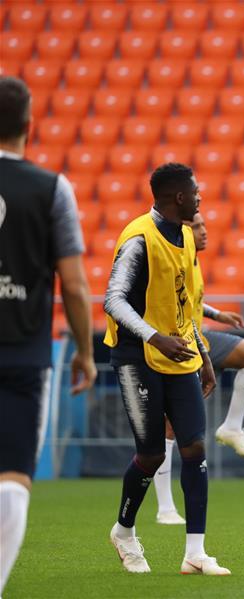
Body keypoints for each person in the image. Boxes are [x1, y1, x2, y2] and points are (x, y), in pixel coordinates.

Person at [103, 162, 229, 575]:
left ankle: (195, 553)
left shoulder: (186, 236)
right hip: (135, 356)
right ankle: (124, 531)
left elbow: (185, 304)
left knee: (194, 446)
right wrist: (154, 337)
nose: (199, 197)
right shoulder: (138, 238)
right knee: (153, 453)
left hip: (178, 353)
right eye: (195, 192)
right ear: (179, 197)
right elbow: (113, 300)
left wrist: (204, 355)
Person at [0, 76, 97, 594]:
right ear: (29, 125)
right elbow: (75, 286)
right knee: (13, 478)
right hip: (23, 355)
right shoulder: (51, 188)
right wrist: (85, 352)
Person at [154, 212, 244, 525]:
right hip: (180, 344)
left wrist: (217, 314)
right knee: (170, 426)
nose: (204, 231)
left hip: (199, 338)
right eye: (196, 227)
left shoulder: (191, 259)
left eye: (204, 225)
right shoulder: (173, 259)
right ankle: (165, 507)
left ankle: (231, 427)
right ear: (182, 231)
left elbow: (191, 301)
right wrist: (200, 352)